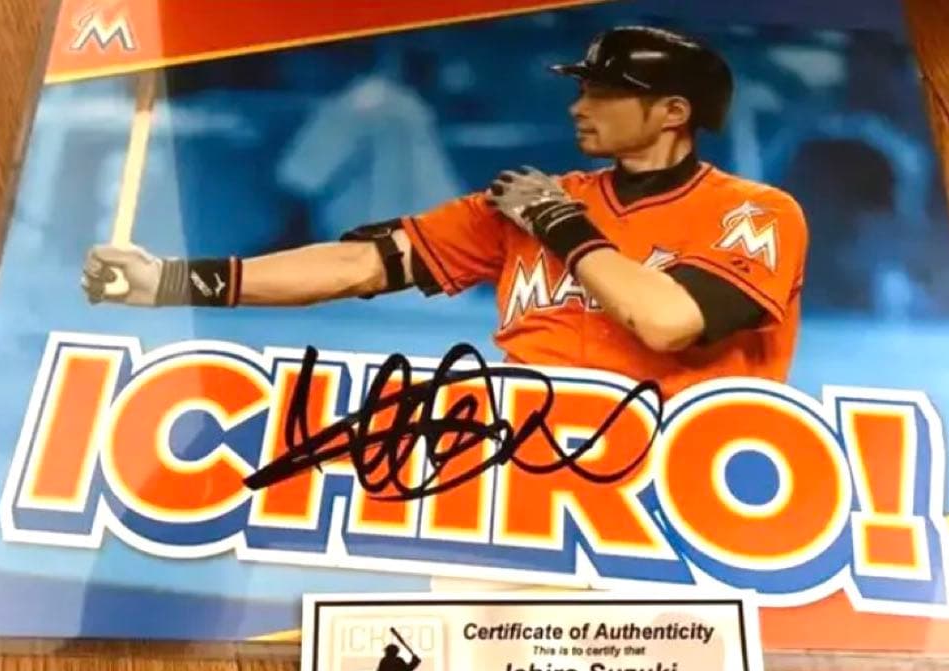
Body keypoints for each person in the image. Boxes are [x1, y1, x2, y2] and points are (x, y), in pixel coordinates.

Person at [81, 25, 809, 399]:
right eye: (582, 88)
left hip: (677, 485)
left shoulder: (754, 211)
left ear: (674, 112)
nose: (578, 106)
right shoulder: (535, 198)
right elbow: (359, 264)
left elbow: (668, 320)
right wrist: (169, 281)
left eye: (604, 93)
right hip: (530, 468)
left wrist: (559, 225)